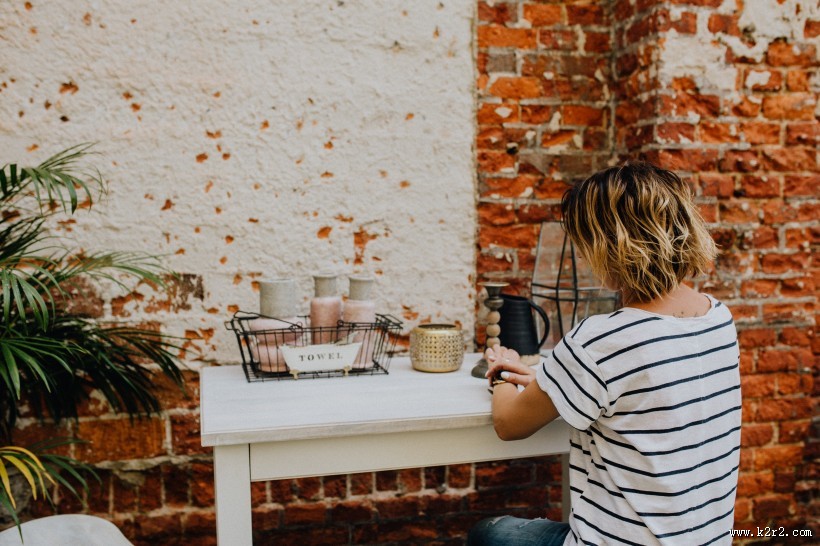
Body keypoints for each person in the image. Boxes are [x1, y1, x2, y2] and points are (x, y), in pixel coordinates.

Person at [468, 162, 741, 546]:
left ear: (609, 247)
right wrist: (549, 380)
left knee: (489, 534)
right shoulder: (718, 317)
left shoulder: (604, 338)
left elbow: (509, 425)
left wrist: (498, 372)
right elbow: (647, 392)